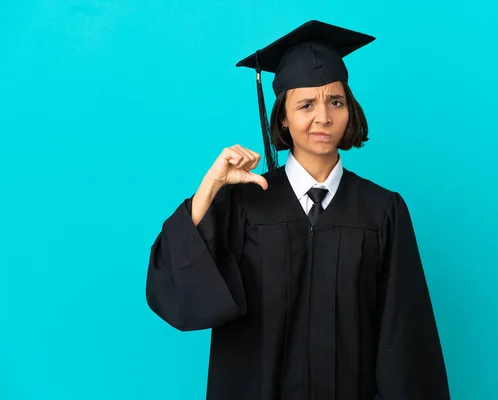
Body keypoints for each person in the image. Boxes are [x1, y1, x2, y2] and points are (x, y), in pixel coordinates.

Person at [146, 20, 451, 400]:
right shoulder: (244, 203)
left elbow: (404, 339)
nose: (323, 117)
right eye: (306, 104)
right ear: (284, 118)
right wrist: (210, 187)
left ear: (349, 110)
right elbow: (176, 290)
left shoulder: (381, 211)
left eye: (335, 102)